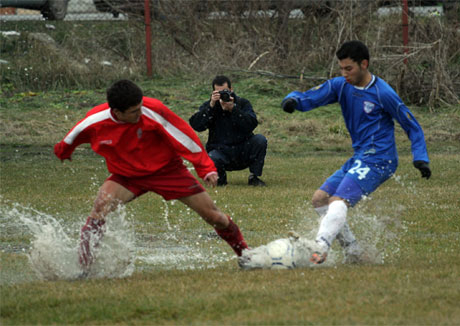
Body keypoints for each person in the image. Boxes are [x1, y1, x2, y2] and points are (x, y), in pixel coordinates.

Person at [54, 79, 249, 274]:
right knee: (99, 210)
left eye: (140, 107)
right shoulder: (96, 120)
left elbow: (183, 135)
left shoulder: (152, 109)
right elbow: (72, 136)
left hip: (168, 172)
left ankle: (246, 256)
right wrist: (64, 151)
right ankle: (83, 268)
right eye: (134, 112)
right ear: (117, 112)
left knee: (214, 216)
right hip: (127, 176)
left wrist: (206, 168)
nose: (140, 113)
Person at [281, 40, 431, 265]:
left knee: (338, 201)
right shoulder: (341, 85)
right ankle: (354, 251)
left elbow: (411, 124)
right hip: (360, 157)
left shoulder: (383, 93)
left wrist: (420, 157)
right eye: (341, 68)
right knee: (320, 199)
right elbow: (313, 96)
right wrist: (293, 101)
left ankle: (320, 247)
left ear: (364, 64)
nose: (344, 73)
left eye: (348, 68)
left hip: (380, 158)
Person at [189, 75, 267, 187]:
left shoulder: (242, 103)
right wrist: (211, 107)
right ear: (213, 92)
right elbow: (196, 125)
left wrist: (233, 109)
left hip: (243, 149)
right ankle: (220, 180)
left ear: (231, 89)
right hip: (220, 150)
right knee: (212, 157)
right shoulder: (210, 106)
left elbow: (251, 124)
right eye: (218, 92)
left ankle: (254, 177)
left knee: (260, 140)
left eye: (225, 91)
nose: (222, 95)